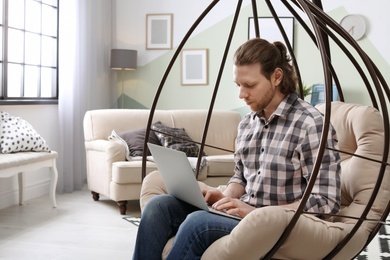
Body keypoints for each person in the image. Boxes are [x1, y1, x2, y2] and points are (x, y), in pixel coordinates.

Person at [132, 38, 341, 260]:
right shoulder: (247, 123)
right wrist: (222, 196)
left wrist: (256, 213)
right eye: (238, 85)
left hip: (280, 225)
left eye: (249, 85)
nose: (241, 94)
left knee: (197, 224)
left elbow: (326, 201)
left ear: (277, 77)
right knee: (158, 208)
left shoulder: (311, 124)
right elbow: (241, 177)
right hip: (244, 215)